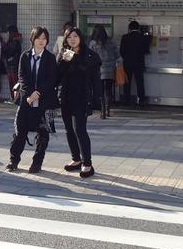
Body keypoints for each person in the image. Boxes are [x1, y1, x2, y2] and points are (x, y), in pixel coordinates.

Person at [6, 26, 57, 173]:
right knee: (20, 131)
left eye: (44, 39)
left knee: (43, 133)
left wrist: (38, 93)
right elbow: (22, 77)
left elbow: (51, 79)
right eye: (38, 38)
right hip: (26, 100)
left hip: (44, 101)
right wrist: (29, 94)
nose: (41, 41)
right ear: (32, 39)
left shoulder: (50, 58)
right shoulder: (25, 56)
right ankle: (13, 160)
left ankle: (37, 163)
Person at [57, 28, 101, 178]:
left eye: (75, 36)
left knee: (80, 130)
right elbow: (58, 77)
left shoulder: (90, 56)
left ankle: (87, 164)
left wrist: (96, 101)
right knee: (69, 130)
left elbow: (96, 80)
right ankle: (76, 159)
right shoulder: (64, 54)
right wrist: (64, 61)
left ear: (80, 37)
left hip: (82, 98)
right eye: (69, 37)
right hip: (66, 97)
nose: (72, 39)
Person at [119, 20, 150, 108]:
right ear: (138, 28)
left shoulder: (125, 37)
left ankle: (127, 100)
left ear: (129, 28)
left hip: (128, 63)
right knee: (140, 82)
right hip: (139, 63)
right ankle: (141, 100)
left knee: (127, 82)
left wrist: (127, 56)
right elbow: (146, 51)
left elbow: (121, 51)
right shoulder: (143, 37)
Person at [88, 25, 117, 119]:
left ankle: (102, 112)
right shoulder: (111, 42)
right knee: (108, 91)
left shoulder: (93, 43)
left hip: (98, 71)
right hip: (110, 70)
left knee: (100, 92)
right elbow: (117, 55)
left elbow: (90, 57)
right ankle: (108, 110)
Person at [2, 25, 23, 104]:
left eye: (8, 32)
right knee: (11, 81)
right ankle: (13, 97)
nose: (7, 33)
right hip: (10, 63)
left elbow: (12, 52)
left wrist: (8, 56)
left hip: (13, 64)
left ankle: (15, 98)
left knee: (14, 81)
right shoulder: (11, 40)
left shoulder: (15, 41)